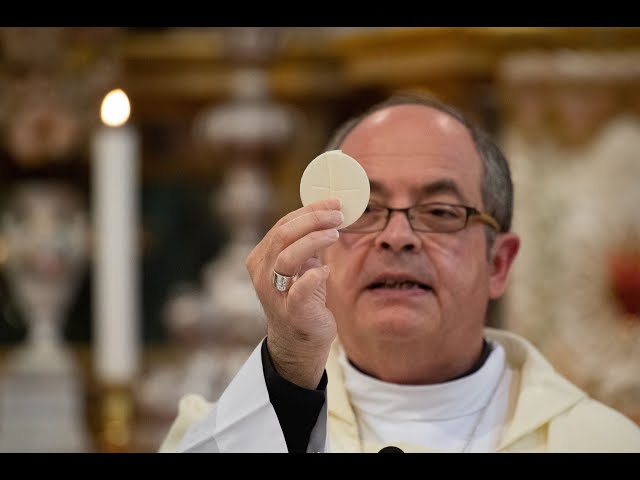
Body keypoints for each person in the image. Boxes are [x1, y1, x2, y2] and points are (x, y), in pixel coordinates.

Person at [159, 91, 640, 453]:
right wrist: (288, 367)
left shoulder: (600, 441)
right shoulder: (231, 428)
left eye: (441, 212)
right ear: (320, 249)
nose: (397, 236)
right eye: (364, 209)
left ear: (499, 263)